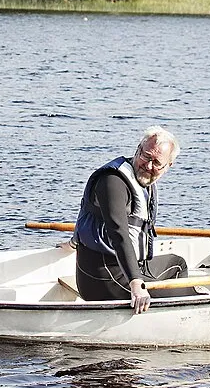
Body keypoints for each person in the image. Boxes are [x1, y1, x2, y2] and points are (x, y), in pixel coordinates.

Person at [73, 127, 185, 313]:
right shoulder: (112, 182)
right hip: (104, 277)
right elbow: (118, 234)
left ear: (168, 166)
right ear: (137, 150)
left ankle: (159, 317)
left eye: (157, 162)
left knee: (177, 265)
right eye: (146, 156)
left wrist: (71, 242)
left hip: (133, 266)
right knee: (189, 293)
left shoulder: (144, 181)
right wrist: (136, 282)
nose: (148, 166)